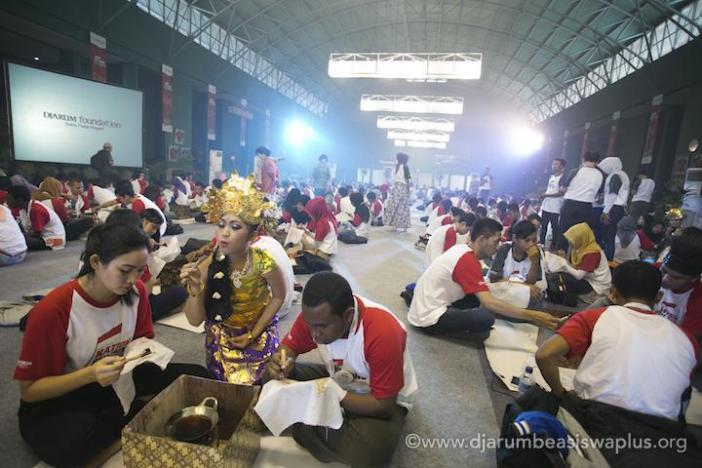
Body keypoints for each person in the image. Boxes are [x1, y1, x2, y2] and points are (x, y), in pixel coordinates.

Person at [13, 224, 208, 467]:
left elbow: (141, 341)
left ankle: (129, 423)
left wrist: (142, 353)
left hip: (114, 377)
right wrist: (90, 374)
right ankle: (134, 423)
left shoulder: (136, 292)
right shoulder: (54, 309)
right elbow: (30, 391)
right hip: (65, 393)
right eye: (125, 271)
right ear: (96, 262)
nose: (133, 280)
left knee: (198, 377)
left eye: (140, 271)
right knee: (74, 444)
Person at [264, 272, 417, 467]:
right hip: (338, 377)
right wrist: (282, 361)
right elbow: (289, 347)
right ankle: (317, 424)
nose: (314, 334)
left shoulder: (383, 332)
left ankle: (303, 424)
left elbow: (383, 405)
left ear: (348, 315)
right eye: (310, 325)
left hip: (379, 396)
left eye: (321, 327)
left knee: (368, 455)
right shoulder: (315, 318)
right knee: (270, 376)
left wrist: (338, 396)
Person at [536, 260, 698, 421]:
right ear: (658, 297)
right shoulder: (687, 340)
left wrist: (561, 394)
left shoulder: (596, 317)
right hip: (663, 431)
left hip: (599, 422)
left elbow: (544, 355)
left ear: (612, 292)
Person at [180, 173, 286, 384]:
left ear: (252, 236)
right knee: (226, 382)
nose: (224, 233)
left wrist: (253, 334)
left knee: (266, 379)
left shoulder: (264, 263)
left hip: (258, 330)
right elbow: (195, 320)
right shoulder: (210, 263)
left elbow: (279, 296)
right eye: (221, 224)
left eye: (235, 227)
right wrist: (196, 289)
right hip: (223, 334)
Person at [408, 218, 560, 339]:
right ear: (481, 240)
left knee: (480, 298)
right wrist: (534, 316)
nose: (498, 246)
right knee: (485, 318)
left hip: (425, 307)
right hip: (428, 318)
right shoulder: (468, 260)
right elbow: (489, 302)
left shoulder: (463, 250)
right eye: (496, 241)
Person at [655, 227, 702, 344]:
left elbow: (684, 343)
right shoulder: (653, 272)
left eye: (675, 277)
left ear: (694, 278)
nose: (665, 279)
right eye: (664, 271)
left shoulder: (698, 301)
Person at [547, 223, 612, 305]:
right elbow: (576, 267)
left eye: (573, 239)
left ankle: (581, 296)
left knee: (562, 277)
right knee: (560, 275)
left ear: (581, 238)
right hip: (589, 279)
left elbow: (579, 275)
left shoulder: (592, 253)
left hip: (596, 285)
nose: (569, 242)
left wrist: (564, 264)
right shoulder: (582, 248)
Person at [557, 152, 604, 251]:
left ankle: (561, 253)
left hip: (569, 204)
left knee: (564, 232)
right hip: (586, 207)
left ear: (583, 159)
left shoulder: (576, 171)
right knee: (579, 235)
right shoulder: (600, 174)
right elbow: (599, 194)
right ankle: (575, 256)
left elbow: (562, 188)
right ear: (597, 162)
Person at [488, 220, 546, 300]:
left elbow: (531, 283)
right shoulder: (504, 249)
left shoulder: (535, 253)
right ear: (515, 238)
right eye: (527, 241)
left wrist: (535, 262)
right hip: (504, 293)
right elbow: (494, 281)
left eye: (534, 240)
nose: (531, 244)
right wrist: (522, 285)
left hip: (523, 296)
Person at [7, 185, 66, 251]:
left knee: (16, 239)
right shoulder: (22, 209)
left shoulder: (36, 209)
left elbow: (37, 234)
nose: (7, 202)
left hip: (56, 241)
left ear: (19, 200)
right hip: (44, 238)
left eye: (9, 199)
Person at [598, 157, 630, 260]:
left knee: (608, 237)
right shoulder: (623, 175)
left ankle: (608, 260)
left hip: (613, 208)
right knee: (610, 236)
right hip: (618, 208)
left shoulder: (615, 175)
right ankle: (608, 259)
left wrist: (605, 211)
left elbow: (613, 194)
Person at [539, 158, 566, 249]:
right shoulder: (551, 177)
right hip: (546, 206)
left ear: (562, 166)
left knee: (555, 228)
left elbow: (561, 193)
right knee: (543, 227)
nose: (554, 166)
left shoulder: (563, 178)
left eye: (556, 164)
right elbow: (550, 189)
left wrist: (547, 195)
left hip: (555, 207)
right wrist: (544, 195)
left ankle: (554, 246)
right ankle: (541, 244)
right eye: (553, 164)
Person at [384, 152, 412, 232]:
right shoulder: (405, 167)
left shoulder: (397, 166)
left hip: (396, 187)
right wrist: (408, 189)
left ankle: (394, 225)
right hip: (403, 187)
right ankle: (404, 226)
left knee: (394, 206)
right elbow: (407, 179)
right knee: (403, 207)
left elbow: (393, 178)